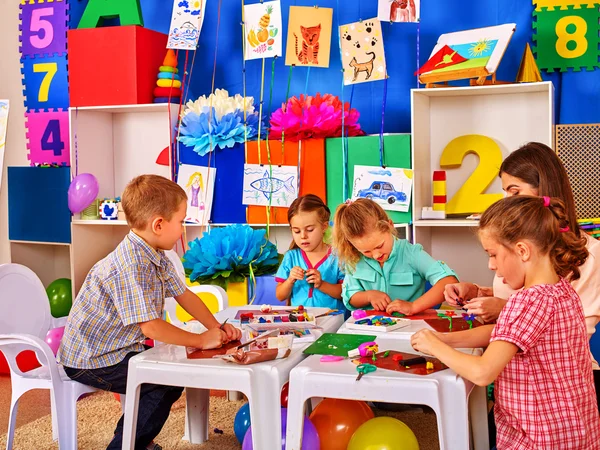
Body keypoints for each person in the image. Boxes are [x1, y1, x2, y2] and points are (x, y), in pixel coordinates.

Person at [57, 175, 241, 450]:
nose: (182, 229)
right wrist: (202, 340)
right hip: (91, 358)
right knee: (162, 381)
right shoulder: (132, 262)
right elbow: (151, 328)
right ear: (158, 224)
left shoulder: (156, 253)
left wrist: (216, 327)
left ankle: (136, 439)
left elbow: (185, 295)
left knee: (167, 374)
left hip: (117, 347)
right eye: (181, 221)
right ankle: (126, 444)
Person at [411, 195, 600, 450]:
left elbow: (482, 372)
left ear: (522, 250)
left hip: (536, 436)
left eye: (493, 255)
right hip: (573, 431)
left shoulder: (527, 301)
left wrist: (437, 348)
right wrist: (446, 339)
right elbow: (503, 334)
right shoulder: (562, 291)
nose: (490, 265)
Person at [443, 142, 600, 407]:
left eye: (514, 191)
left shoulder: (589, 253)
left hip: (558, 381)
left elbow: (569, 330)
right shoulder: (521, 249)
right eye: (504, 192)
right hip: (512, 368)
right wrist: (480, 292)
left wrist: (503, 309)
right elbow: (525, 294)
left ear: (545, 190)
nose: (508, 200)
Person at [333, 198, 457, 315]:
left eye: (379, 246)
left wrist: (413, 306)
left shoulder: (411, 254)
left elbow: (449, 282)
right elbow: (349, 297)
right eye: (366, 252)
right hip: (371, 326)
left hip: (410, 326)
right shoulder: (354, 258)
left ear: (390, 225)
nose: (376, 255)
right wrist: (369, 296)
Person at [275, 194, 344, 310]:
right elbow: (280, 296)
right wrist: (290, 280)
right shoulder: (291, 257)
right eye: (296, 231)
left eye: (310, 230)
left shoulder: (337, 256)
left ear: (324, 227)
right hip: (300, 323)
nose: (303, 236)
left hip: (332, 322)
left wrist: (322, 284)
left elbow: (346, 293)